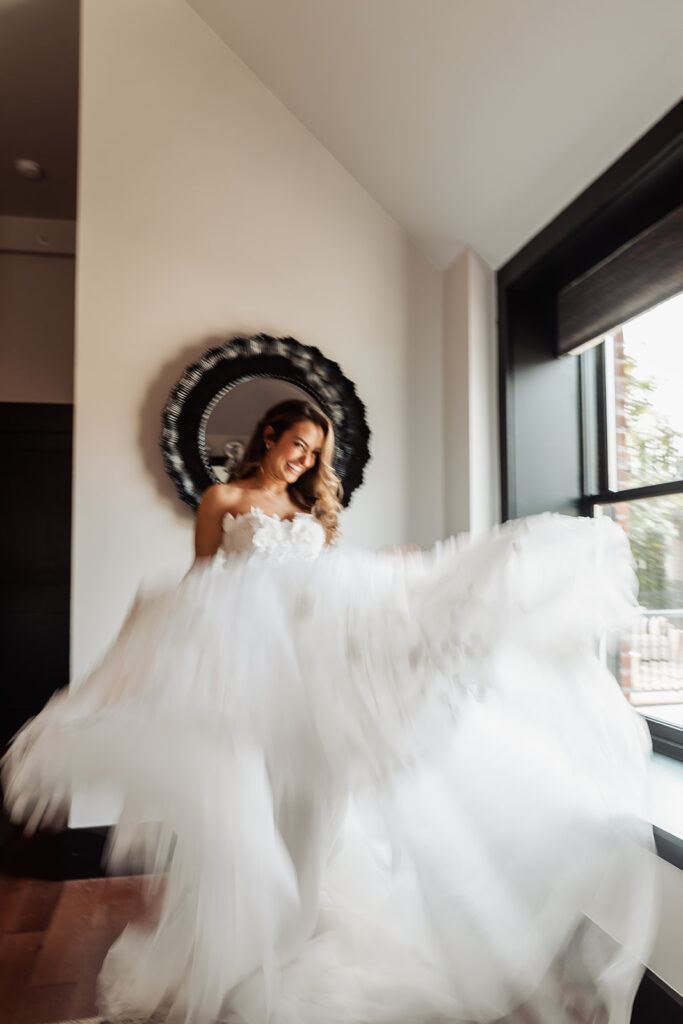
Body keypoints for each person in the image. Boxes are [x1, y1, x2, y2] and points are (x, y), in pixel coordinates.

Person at [3, 399, 658, 1024]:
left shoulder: (312, 517)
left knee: (318, 808)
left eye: (312, 453)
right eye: (296, 444)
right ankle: (244, 952)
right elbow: (201, 585)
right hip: (248, 682)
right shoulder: (223, 501)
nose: (301, 460)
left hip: (310, 688)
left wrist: (394, 571)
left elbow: (327, 595)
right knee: (250, 818)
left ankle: (294, 940)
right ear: (269, 437)